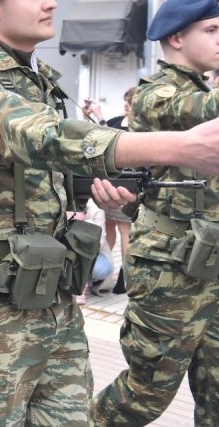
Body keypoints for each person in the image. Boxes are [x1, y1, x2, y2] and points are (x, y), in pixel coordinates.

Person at [0, 0, 219, 425]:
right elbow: (38, 137)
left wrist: (93, 185)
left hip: (51, 287)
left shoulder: (39, 81)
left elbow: (38, 173)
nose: (51, 2)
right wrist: (179, 147)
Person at [92, 0, 219, 426]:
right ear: (176, 38)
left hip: (213, 266)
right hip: (168, 270)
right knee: (144, 395)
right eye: (211, 30)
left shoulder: (199, 90)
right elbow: (210, 109)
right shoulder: (156, 96)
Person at [92, 86, 137, 294]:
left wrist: (99, 116)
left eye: (130, 102)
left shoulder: (138, 126)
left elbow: (115, 142)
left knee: (124, 229)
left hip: (125, 183)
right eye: (126, 101)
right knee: (109, 228)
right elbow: (101, 137)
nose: (126, 105)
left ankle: (125, 278)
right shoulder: (118, 121)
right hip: (109, 182)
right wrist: (96, 116)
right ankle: (107, 275)